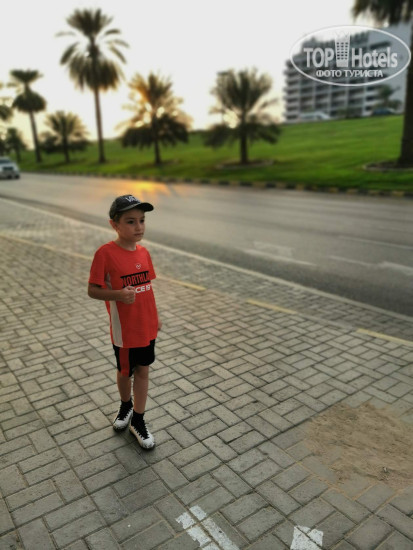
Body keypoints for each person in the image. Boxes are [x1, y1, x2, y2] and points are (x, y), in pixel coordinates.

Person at [88, 194, 161, 449]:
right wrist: (118, 295)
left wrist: (155, 318)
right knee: (124, 372)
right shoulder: (105, 254)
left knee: (143, 370)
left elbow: (147, 289)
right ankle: (125, 405)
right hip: (125, 331)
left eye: (142, 220)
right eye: (130, 221)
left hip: (146, 326)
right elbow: (92, 290)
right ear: (114, 224)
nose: (138, 227)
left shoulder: (144, 252)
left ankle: (138, 420)